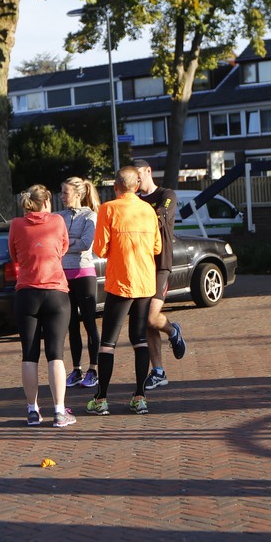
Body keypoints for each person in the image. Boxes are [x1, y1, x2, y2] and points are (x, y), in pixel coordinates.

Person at [86, 166, 162, 416]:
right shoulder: (148, 210)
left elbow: (100, 249)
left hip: (121, 281)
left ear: (115, 186)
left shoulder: (108, 209)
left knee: (108, 342)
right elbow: (157, 247)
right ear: (137, 186)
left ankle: (101, 398)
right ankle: (140, 397)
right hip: (145, 282)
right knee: (139, 339)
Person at [9, 184, 76, 428]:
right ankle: (59, 411)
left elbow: (14, 256)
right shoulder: (58, 221)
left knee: (29, 354)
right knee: (55, 354)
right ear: (46, 202)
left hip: (27, 293)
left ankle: (32, 410)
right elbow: (64, 248)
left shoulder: (16, 224)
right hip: (56, 292)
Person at [133, 159, 186, 390]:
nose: (137, 180)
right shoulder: (133, 200)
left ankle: (173, 331)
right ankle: (158, 371)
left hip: (160, 264)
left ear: (149, 171)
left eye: (139, 175)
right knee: (147, 322)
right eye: (133, 177)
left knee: (151, 317)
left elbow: (160, 216)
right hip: (138, 266)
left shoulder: (167, 194)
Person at [57, 177, 101, 391]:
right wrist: (70, 242)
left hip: (84, 274)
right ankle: (76, 369)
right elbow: (55, 242)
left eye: (65, 193)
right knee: (71, 324)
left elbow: (85, 243)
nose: (61, 196)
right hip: (63, 275)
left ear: (77, 194)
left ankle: (94, 369)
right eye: (61, 192)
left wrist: (66, 243)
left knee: (89, 322)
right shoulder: (59, 217)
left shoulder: (90, 215)